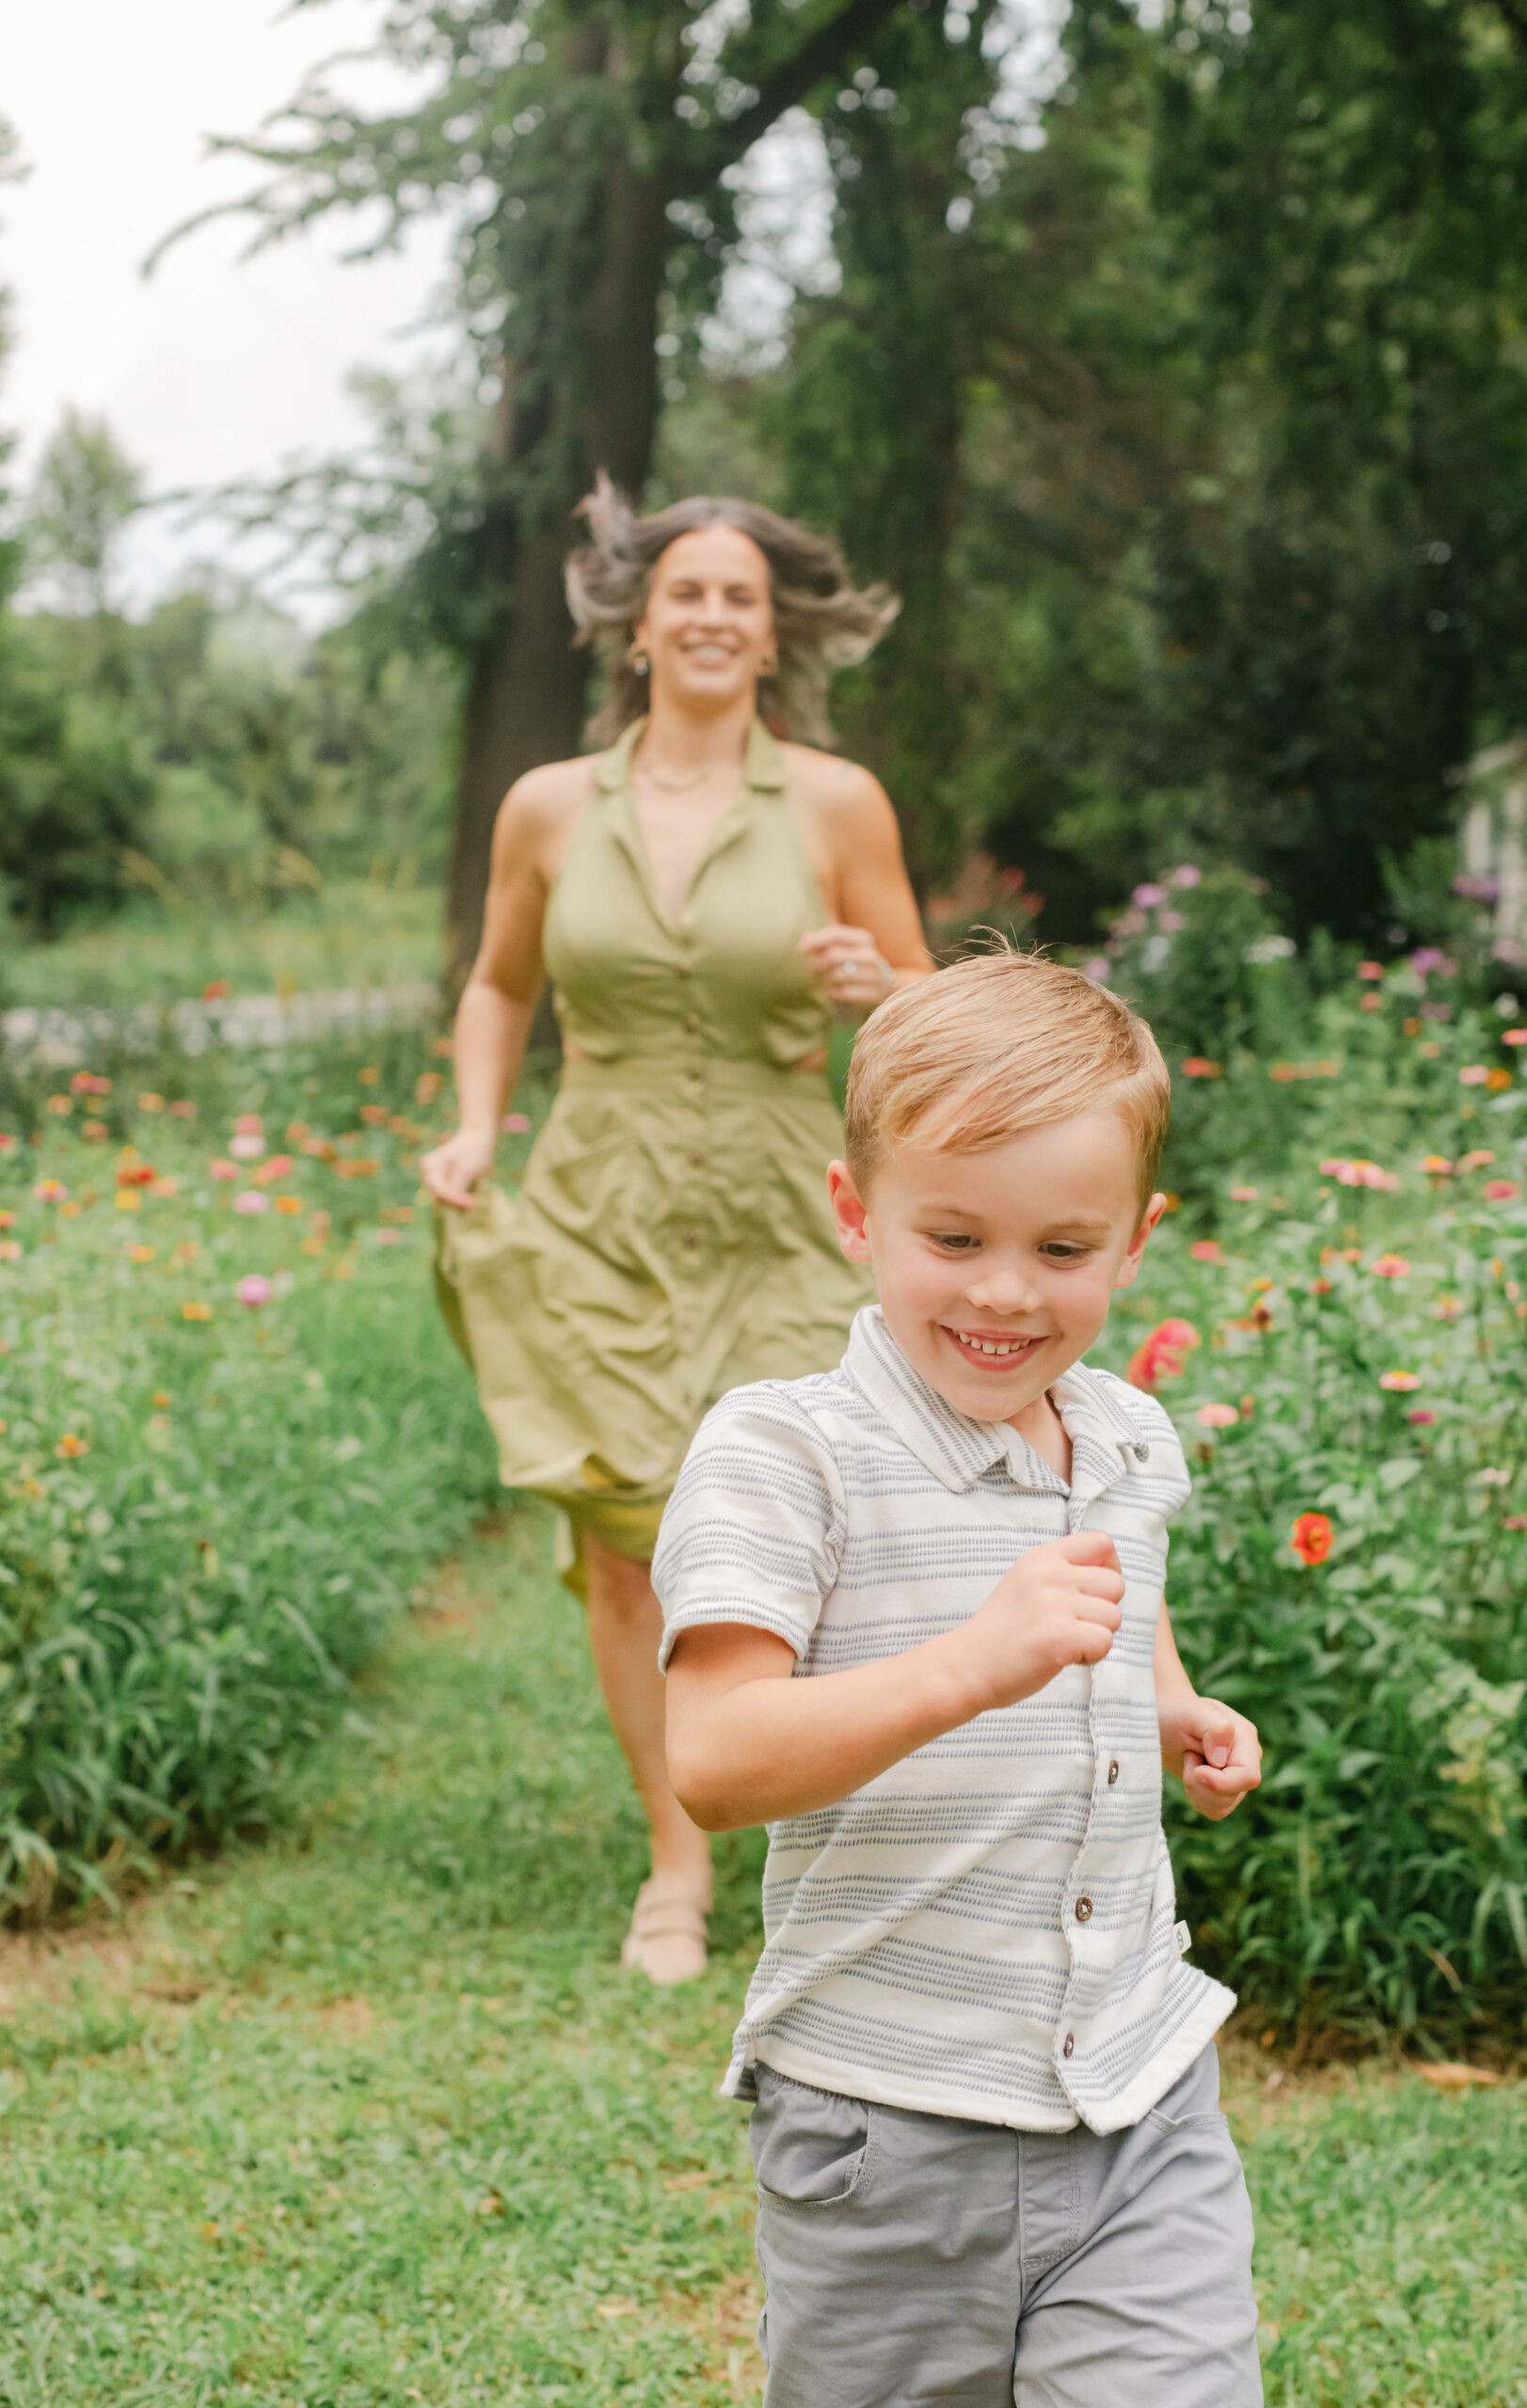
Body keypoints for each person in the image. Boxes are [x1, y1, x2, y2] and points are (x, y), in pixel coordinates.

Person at [657, 953, 1265, 2407]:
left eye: (1063, 1251)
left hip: (1136, 2094)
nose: (1004, 1292)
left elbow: (1120, 1599)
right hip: (887, 2128)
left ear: (1135, 1242)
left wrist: (1171, 1698)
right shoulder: (784, 1455)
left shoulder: (1124, 1434)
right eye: (952, 1237)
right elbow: (718, 1758)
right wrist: (967, 1668)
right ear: (857, 1212)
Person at [422, 479, 931, 1988]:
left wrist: (876, 988)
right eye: (687, 593)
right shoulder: (548, 807)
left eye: (741, 600)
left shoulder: (839, 804)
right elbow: (501, 985)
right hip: (601, 1205)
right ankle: (676, 1859)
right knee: (630, 1541)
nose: (712, 616)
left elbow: (929, 1002)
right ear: (637, 627)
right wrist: (474, 1125)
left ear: (773, 641)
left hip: (787, 1206)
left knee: (814, 1533)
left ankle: (822, 1837)